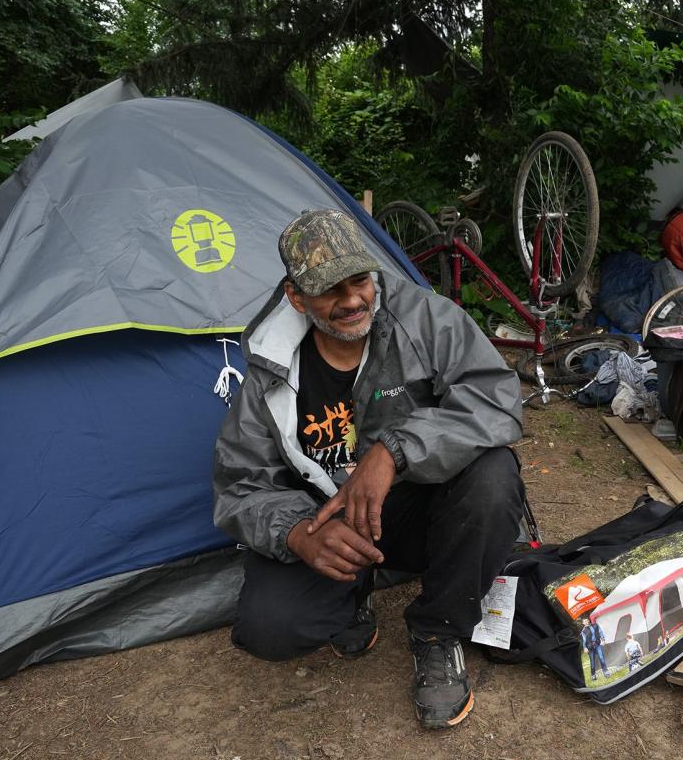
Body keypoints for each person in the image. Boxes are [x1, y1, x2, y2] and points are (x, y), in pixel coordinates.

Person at [213, 209, 525, 730]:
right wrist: (296, 534)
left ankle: (437, 631)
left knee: (493, 476)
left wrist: (394, 451)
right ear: (296, 296)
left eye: (359, 280)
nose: (353, 300)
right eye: (329, 290)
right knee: (270, 631)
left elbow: (495, 402)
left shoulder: (427, 319)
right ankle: (352, 591)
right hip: (327, 520)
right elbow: (240, 483)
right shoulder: (270, 366)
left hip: (414, 507)